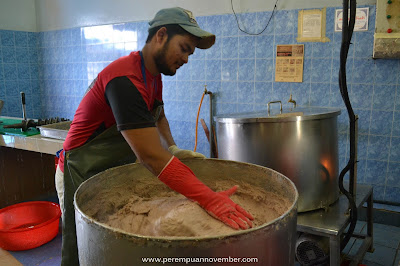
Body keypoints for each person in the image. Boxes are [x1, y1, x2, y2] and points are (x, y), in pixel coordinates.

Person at [55, 7, 254, 265]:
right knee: (81, 248)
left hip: (108, 171)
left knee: (112, 247)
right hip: (79, 171)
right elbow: (150, 156)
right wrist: (210, 199)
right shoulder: (124, 79)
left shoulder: (152, 76)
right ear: (161, 35)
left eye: (190, 53)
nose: (186, 59)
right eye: (183, 48)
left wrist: (171, 147)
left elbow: (158, 115)